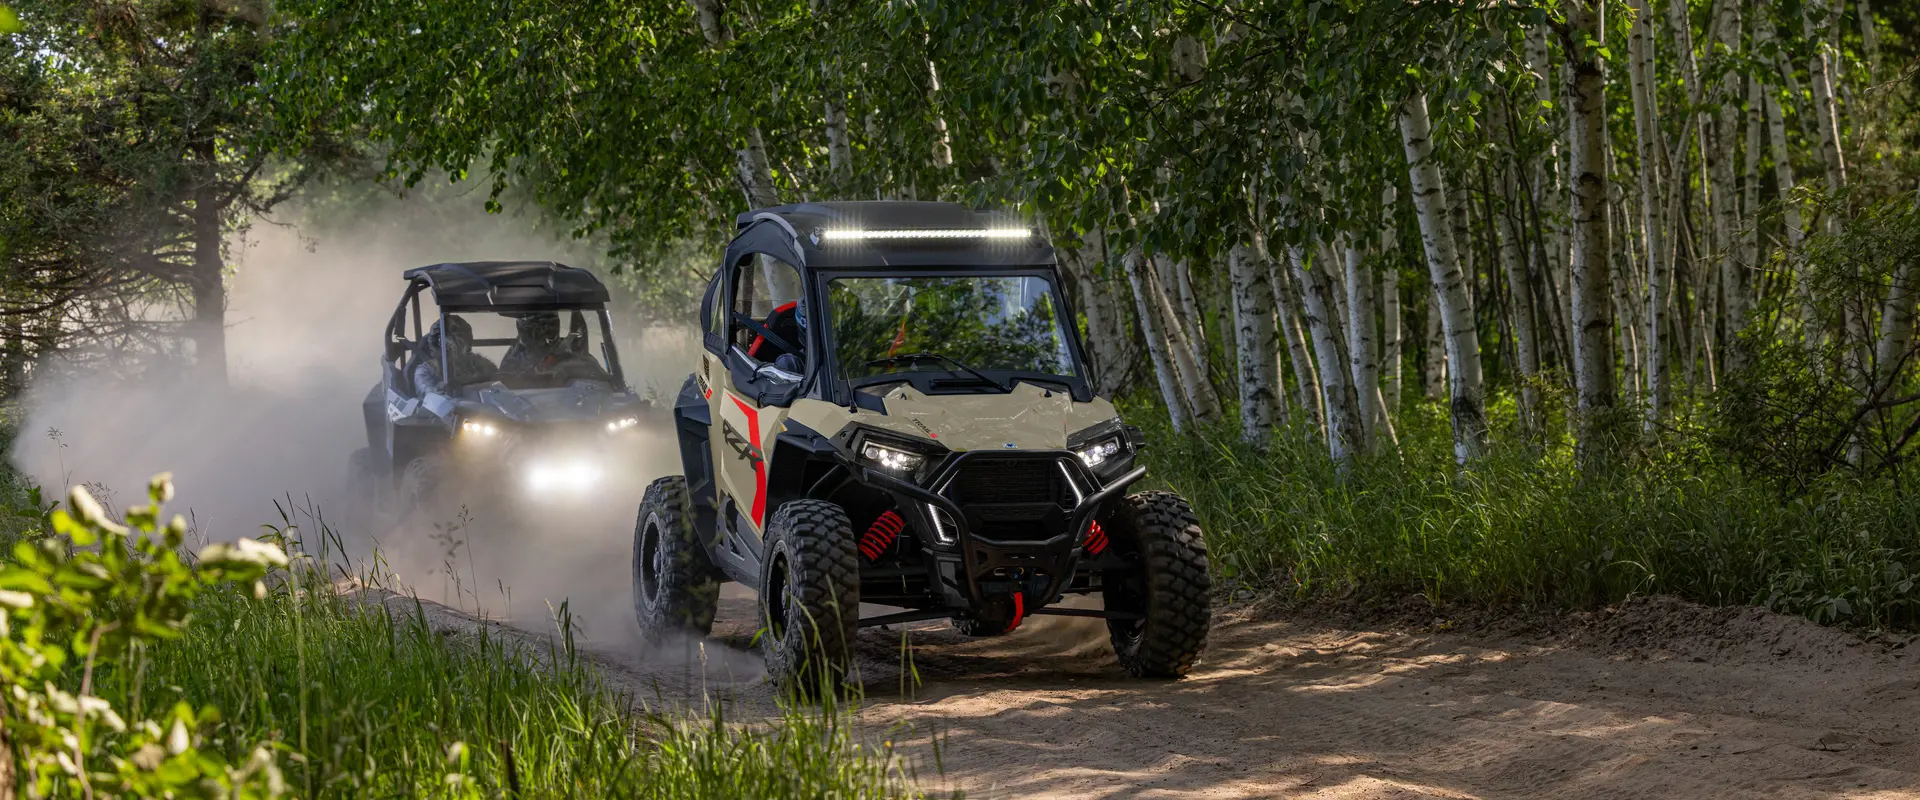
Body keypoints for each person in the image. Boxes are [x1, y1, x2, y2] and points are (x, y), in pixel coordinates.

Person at [499, 311, 609, 384]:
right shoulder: (516, 359)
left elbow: (600, 378)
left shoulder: (570, 353)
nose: (547, 332)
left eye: (551, 325)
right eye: (540, 328)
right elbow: (504, 387)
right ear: (525, 329)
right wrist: (541, 368)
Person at [411, 316, 498, 395]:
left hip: (489, 410)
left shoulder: (480, 363)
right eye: (458, 343)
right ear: (442, 345)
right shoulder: (425, 371)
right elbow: (432, 398)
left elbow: (501, 385)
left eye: (466, 343)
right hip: (456, 411)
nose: (465, 348)